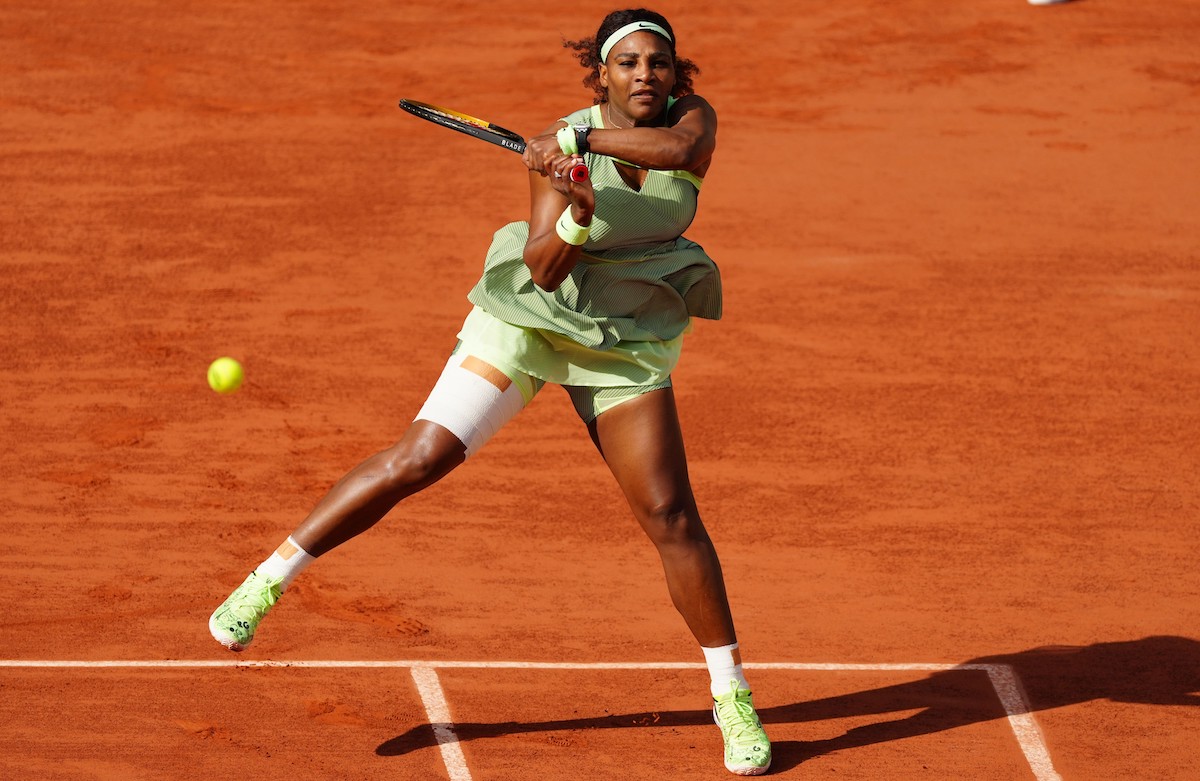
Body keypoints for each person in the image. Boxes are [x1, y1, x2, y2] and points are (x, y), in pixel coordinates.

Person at [209, 8, 771, 776]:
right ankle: (265, 580)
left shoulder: (687, 123)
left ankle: (730, 695)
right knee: (421, 457)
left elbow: (680, 151)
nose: (646, 75)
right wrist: (575, 209)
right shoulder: (552, 145)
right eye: (629, 63)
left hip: (628, 335)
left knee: (672, 515)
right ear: (600, 75)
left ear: (676, 76)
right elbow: (542, 270)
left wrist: (578, 146)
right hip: (531, 323)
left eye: (659, 64)